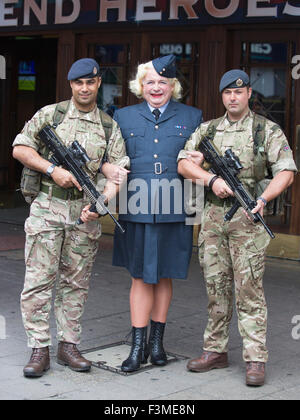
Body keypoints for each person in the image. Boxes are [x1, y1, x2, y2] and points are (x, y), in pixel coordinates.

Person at [177, 69, 297, 386]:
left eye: (239, 92)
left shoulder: (265, 131)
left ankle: (255, 358)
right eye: (228, 92)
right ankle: (215, 350)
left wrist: (264, 196)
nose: (233, 97)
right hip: (214, 219)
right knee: (216, 288)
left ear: (248, 95)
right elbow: (183, 163)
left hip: (248, 218)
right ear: (222, 96)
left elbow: (287, 171)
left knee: (249, 290)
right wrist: (211, 179)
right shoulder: (208, 130)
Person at [12, 58, 129, 378]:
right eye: (79, 83)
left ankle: (68, 345)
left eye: (90, 83)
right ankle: (39, 348)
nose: (85, 88)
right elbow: (20, 148)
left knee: (75, 283)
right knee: (38, 281)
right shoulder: (51, 115)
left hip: (84, 213)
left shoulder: (108, 126)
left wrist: (102, 202)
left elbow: (119, 171)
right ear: (71, 84)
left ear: (98, 84)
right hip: (48, 207)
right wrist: (53, 170)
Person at [108, 55, 203, 372]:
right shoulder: (123, 117)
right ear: (140, 86)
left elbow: (198, 163)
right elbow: (111, 159)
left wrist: (201, 165)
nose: (157, 87)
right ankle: (137, 347)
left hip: (176, 202)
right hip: (136, 202)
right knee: (139, 274)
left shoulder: (192, 117)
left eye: (163, 82)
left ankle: (157, 344)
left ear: (173, 86)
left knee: (165, 272)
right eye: (150, 82)